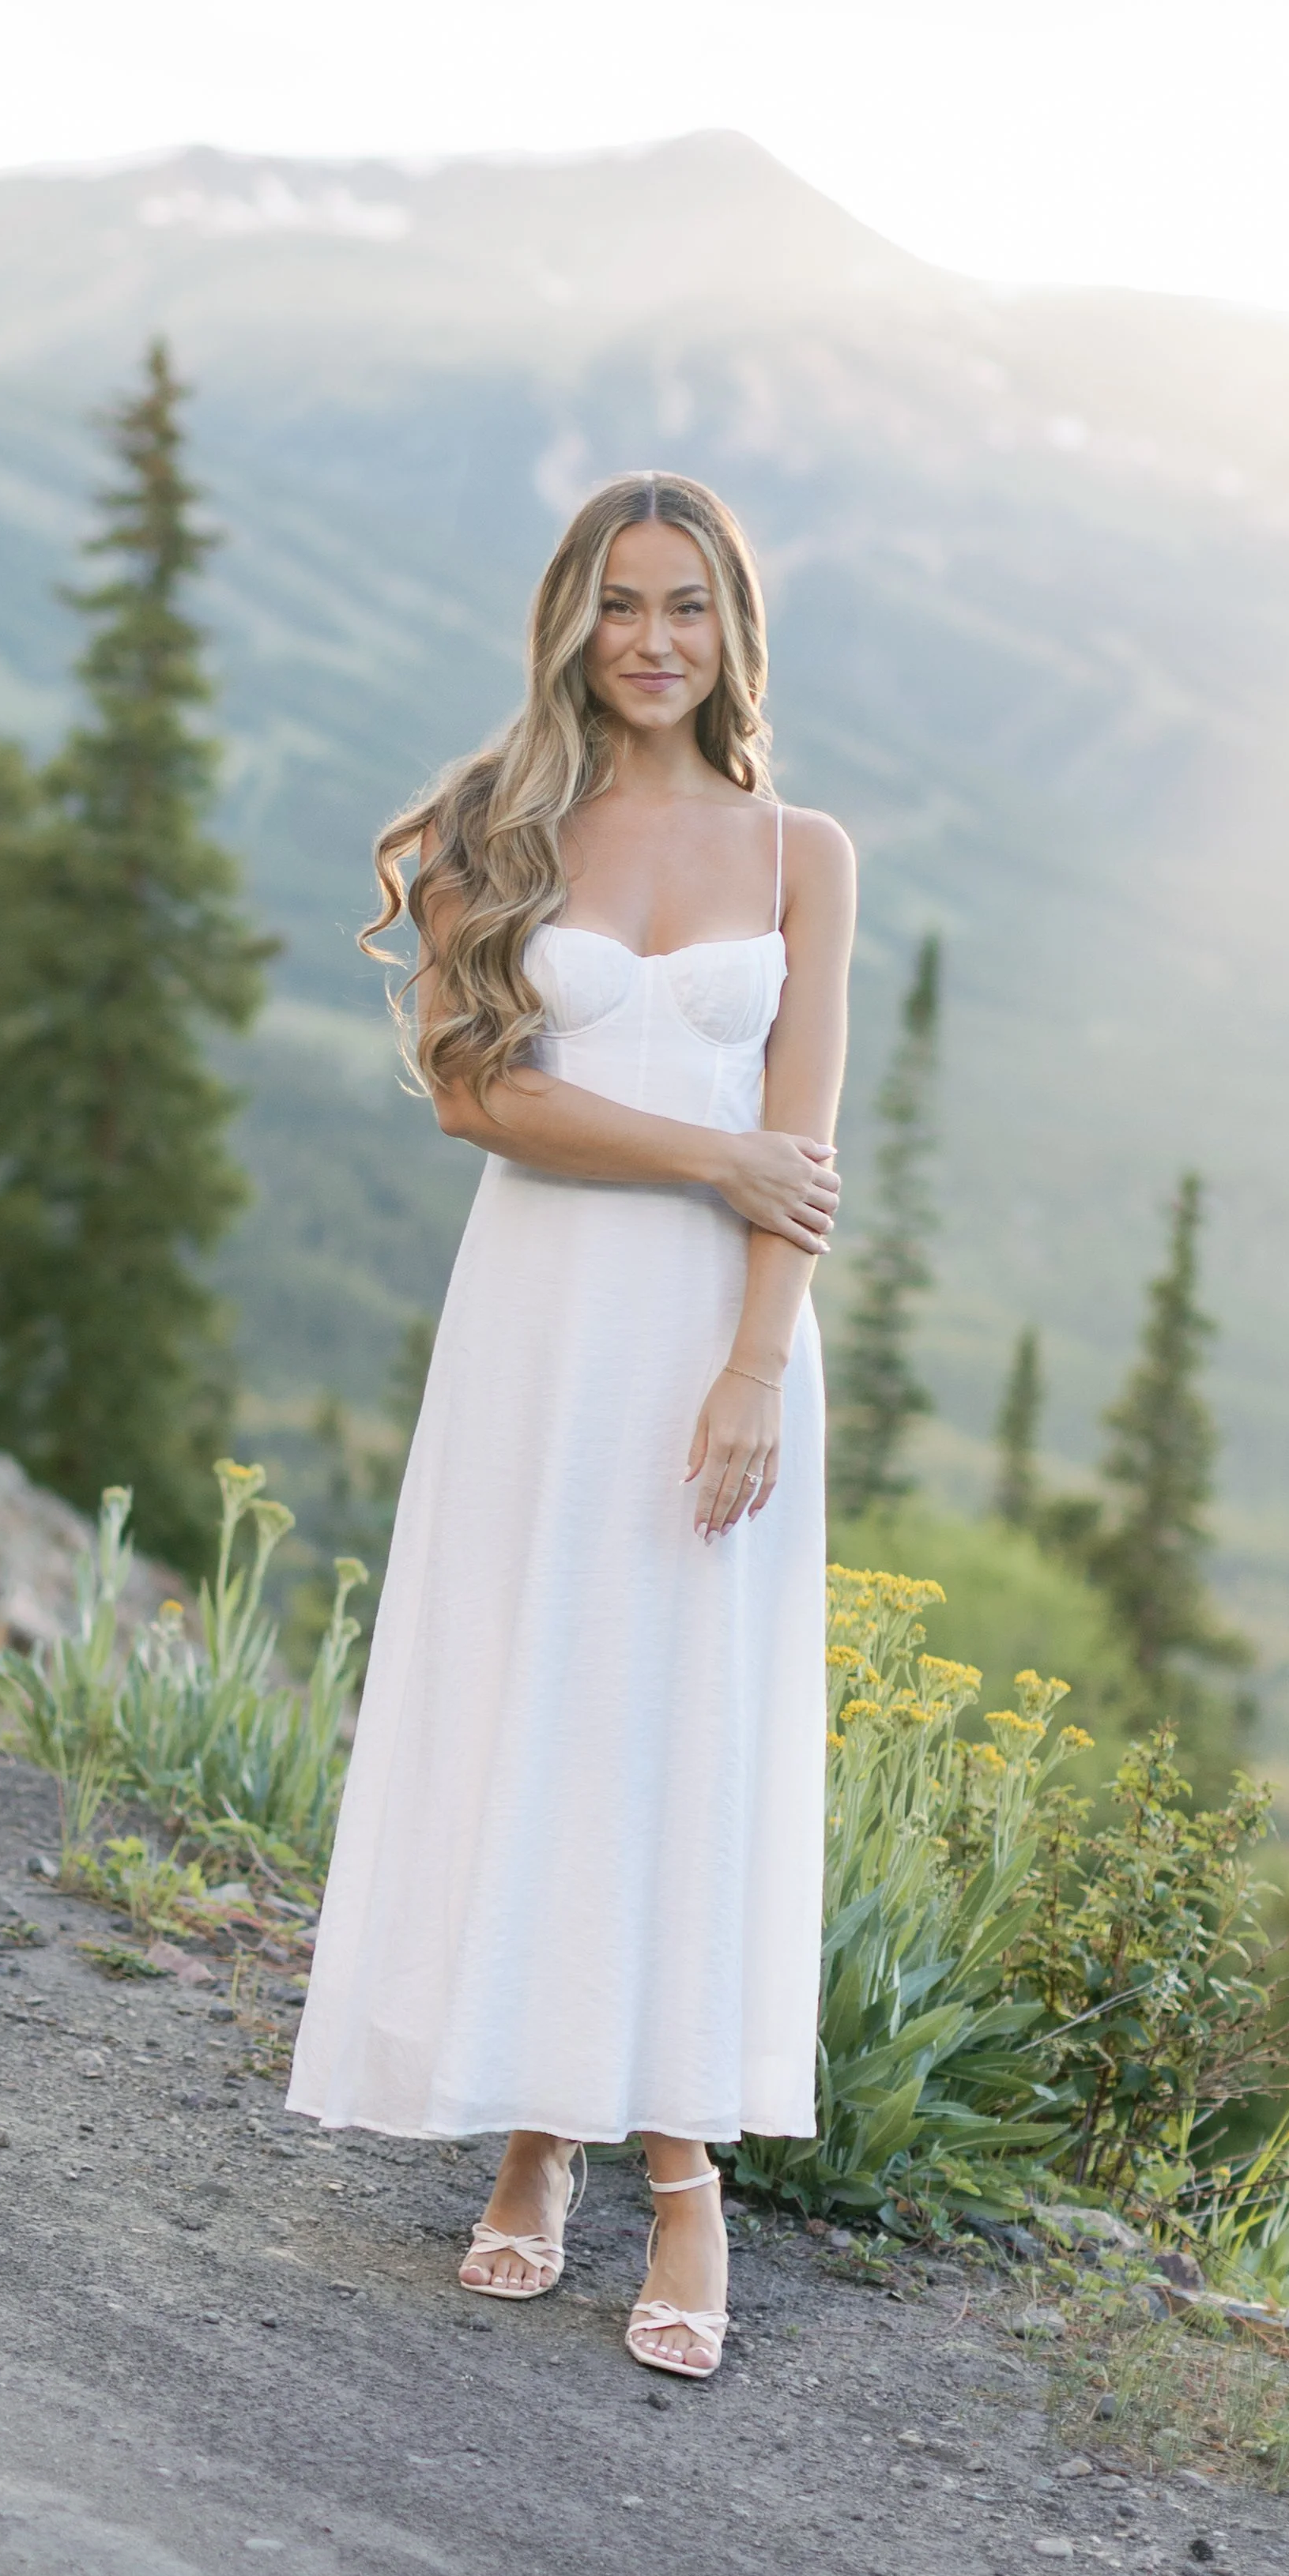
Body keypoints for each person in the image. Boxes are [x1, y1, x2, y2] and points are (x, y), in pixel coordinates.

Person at [285, 469, 855, 2381]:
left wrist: (756, 1367)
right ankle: (532, 2132)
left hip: (716, 1337)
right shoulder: (490, 827)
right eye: (619, 603)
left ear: (731, 631)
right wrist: (712, 1152)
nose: (651, 639)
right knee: (545, 1693)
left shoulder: (802, 851)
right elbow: (475, 1098)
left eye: (685, 605)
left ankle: (682, 2170)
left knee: (683, 1721)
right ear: (569, 618)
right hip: (539, 1322)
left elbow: (810, 1158)